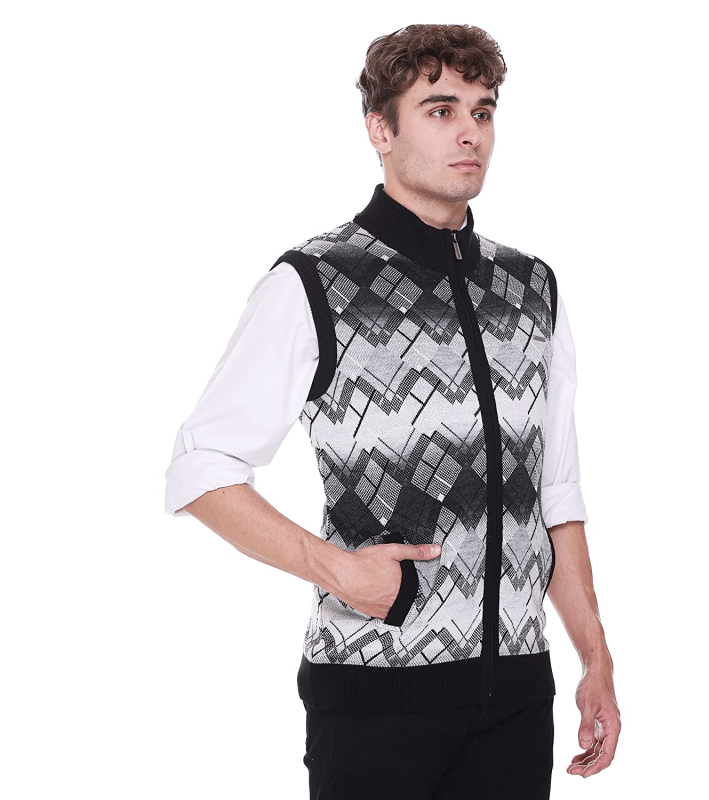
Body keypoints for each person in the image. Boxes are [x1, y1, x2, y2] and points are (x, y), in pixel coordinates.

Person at [164, 23, 620, 799]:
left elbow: (556, 493)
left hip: (517, 695)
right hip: (375, 697)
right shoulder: (315, 282)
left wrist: (595, 659)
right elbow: (200, 468)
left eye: (482, 111)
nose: (470, 132)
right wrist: (339, 571)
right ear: (380, 130)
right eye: (440, 110)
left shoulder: (530, 288)